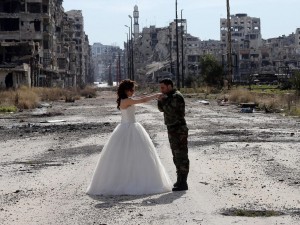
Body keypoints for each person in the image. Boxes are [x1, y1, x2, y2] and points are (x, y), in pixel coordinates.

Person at [86, 79, 172, 195]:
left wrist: (151, 95)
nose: (133, 92)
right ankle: (130, 182)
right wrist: (156, 95)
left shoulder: (125, 100)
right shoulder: (127, 101)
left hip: (126, 127)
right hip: (130, 127)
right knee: (132, 155)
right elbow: (143, 100)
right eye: (132, 90)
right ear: (126, 90)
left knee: (127, 156)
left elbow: (140, 97)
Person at [157, 78, 189, 191]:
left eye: (163, 88)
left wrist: (163, 100)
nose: (161, 90)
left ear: (169, 86)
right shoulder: (168, 96)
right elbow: (161, 109)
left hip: (179, 129)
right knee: (176, 156)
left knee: (182, 156)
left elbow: (169, 110)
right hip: (172, 129)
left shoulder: (176, 96)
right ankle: (179, 180)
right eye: (160, 88)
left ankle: (183, 182)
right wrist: (160, 100)